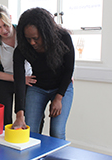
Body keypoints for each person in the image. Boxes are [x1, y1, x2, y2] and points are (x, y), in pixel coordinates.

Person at [12, 7, 75, 140]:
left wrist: (59, 98)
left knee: (57, 132)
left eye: (35, 38)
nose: (32, 43)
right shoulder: (22, 48)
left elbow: (69, 69)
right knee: (31, 131)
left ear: (46, 33)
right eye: (28, 39)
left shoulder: (63, 38)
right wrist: (19, 115)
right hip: (38, 88)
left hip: (61, 87)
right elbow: (19, 80)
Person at [0, 4, 36, 126]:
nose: (3, 30)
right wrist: (19, 79)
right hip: (4, 80)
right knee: (3, 119)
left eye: (5, 25)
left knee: (31, 116)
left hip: (27, 79)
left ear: (11, 18)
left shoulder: (24, 35)